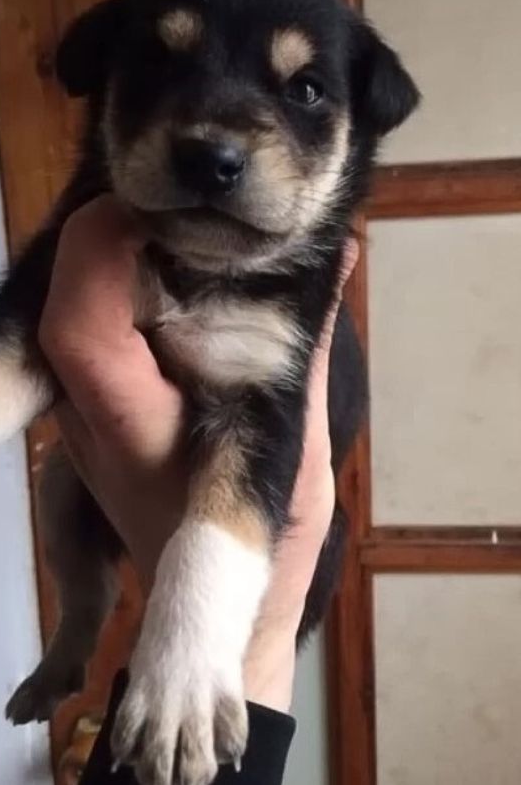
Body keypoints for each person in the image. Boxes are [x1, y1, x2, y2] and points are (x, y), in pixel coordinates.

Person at [37, 196, 357, 784]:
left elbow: (275, 435)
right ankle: (82, 623)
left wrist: (248, 630)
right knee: (56, 483)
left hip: (256, 506)